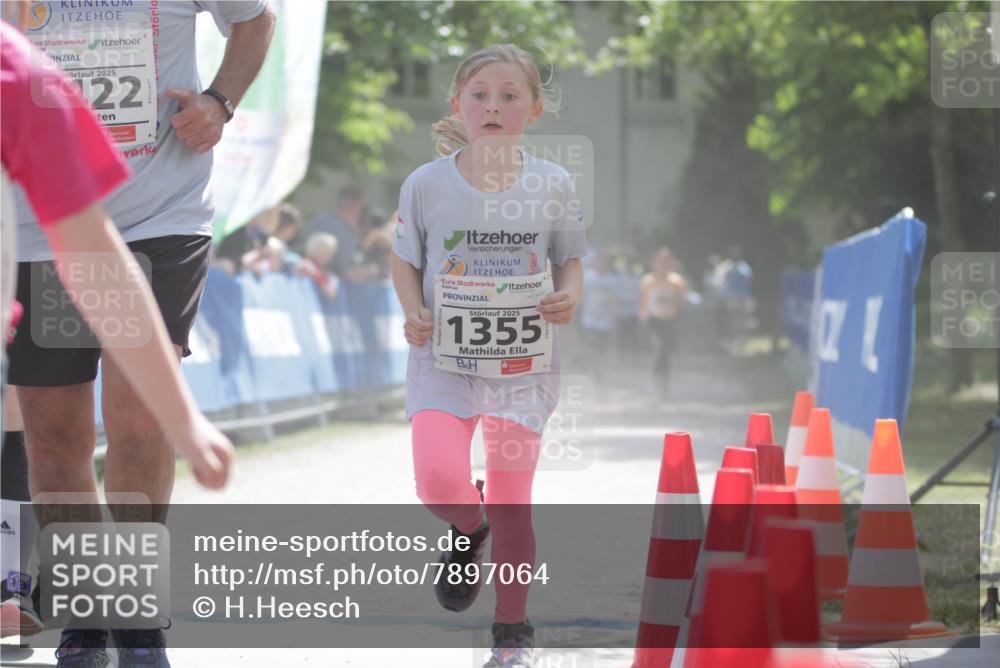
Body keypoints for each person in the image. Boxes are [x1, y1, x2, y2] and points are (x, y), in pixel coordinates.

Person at [6, 1, 275, 665]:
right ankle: (89, 610)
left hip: (159, 214)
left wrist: (219, 101)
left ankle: (133, 612)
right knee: (54, 435)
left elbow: (255, 17)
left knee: (137, 417)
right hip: (39, 223)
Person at [389, 44, 586, 668]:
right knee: (436, 480)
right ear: (457, 106)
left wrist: (569, 297)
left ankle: (511, 634)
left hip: (522, 364)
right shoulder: (425, 183)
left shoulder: (553, 184)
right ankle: (469, 529)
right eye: (479, 95)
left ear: (533, 108)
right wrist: (410, 308)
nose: (493, 106)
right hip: (443, 357)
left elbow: (570, 258)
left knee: (512, 499)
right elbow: (403, 258)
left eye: (508, 95)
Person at [639, 248, 688, 397]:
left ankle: (663, 384)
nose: (663, 265)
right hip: (654, 321)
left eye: (666, 261)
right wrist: (643, 318)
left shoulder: (677, 281)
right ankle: (656, 383)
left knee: (665, 353)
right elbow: (643, 301)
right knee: (659, 348)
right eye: (660, 261)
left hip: (670, 321)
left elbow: (680, 302)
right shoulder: (648, 281)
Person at [310, 184, 381, 282]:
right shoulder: (342, 230)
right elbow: (348, 274)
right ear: (357, 206)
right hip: (328, 284)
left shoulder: (320, 219)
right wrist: (370, 271)